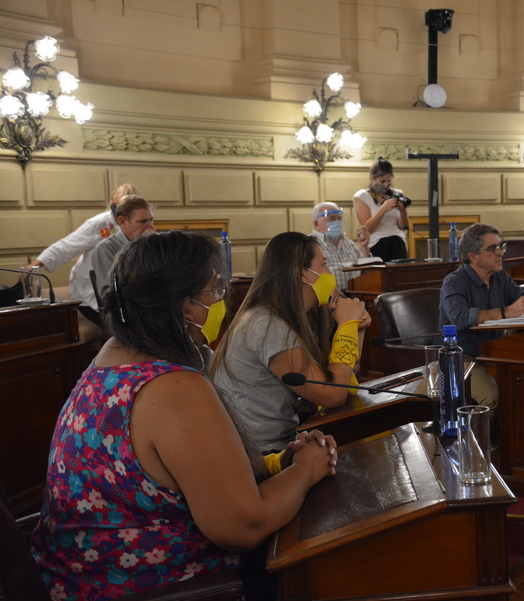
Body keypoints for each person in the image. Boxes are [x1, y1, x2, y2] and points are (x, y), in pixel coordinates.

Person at [30, 230, 338, 600]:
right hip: (154, 588)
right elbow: (243, 526)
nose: (222, 301)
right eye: (215, 290)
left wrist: (276, 465)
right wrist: (306, 470)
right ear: (184, 306)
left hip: (72, 578)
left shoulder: (109, 360)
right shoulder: (173, 387)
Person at [211, 232, 370, 452]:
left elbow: (340, 382)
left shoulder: (286, 319)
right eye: (323, 265)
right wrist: (347, 326)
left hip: (280, 443)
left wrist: (356, 329)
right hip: (258, 455)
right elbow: (333, 393)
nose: (328, 273)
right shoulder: (267, 325)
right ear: (302, 273)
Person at [439, 223, 524, 419]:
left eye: (501, 247)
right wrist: (506, 311)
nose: (500, 253)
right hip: (462, 358)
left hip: (497, 354)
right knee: (493, 398)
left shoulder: (500, 276)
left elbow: (520, 301)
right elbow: (459, 318)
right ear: (473, 256)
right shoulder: (454, 281)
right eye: (493, 249)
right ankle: (476, 446)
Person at [27, 184, 139, 326]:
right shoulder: (100, 223)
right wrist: (34, 265)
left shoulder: (138, 223)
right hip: (90, 291)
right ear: (113, 204)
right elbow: (67, 246)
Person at [91, 195, 155, 299]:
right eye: (142, 222)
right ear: (123, 222)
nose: (150, 227)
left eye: (151, 220)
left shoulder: (154, 245)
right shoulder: (106, 249)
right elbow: (109, 293)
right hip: (128, 308)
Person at [353, 157, 409, 262]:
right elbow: (367, 229)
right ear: (372, 178)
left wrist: (402, 210)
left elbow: (403, 227)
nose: (386, 185)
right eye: (382, 181)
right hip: (377, 243)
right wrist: (383, 209)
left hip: (399, 242)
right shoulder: (362, 196)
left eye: (389, 181)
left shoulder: (397, 193)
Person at [310, 202, 370, 293]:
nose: (337, 222)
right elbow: (313, 274)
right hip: (326, 298)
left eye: (339, 219)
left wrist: (365, 248)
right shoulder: (310, 244)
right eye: (332, 218)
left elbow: (367, 270)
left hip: (355, 294)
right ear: (317, 223)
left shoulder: (349, 243)